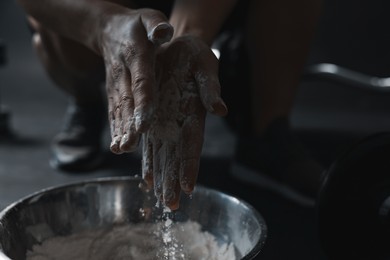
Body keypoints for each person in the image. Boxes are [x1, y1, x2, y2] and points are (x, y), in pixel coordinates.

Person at [16, 0, 324, 209]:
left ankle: (266, 129)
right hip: (104, 9)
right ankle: (86, 100)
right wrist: (102, 26)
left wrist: (191, 33)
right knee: (59, 35)